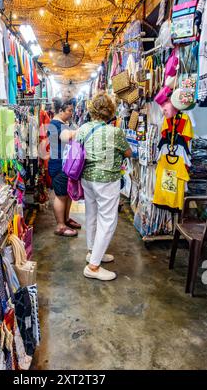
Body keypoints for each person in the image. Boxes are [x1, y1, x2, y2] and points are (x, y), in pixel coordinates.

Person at [75, 92, 132, 281]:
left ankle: (93, 253)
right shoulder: (114, 132)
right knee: (107, 220)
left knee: (91, 215)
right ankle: (93, 267)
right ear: (110, 110)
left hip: (87, 177)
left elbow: (78, 147)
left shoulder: (83, 128)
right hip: (106, 179)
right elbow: (128, 152)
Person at [47, 98, 81, 237]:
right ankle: (60, 225)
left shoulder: (63, 123)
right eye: (69, 110)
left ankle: (66, 220)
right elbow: (66, 137)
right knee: (61, 196)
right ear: (60, 111)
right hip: (59, 165)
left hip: (65, 165)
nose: (71, 113)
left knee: (67, 195)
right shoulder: (55, 124)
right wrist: (80, 130)